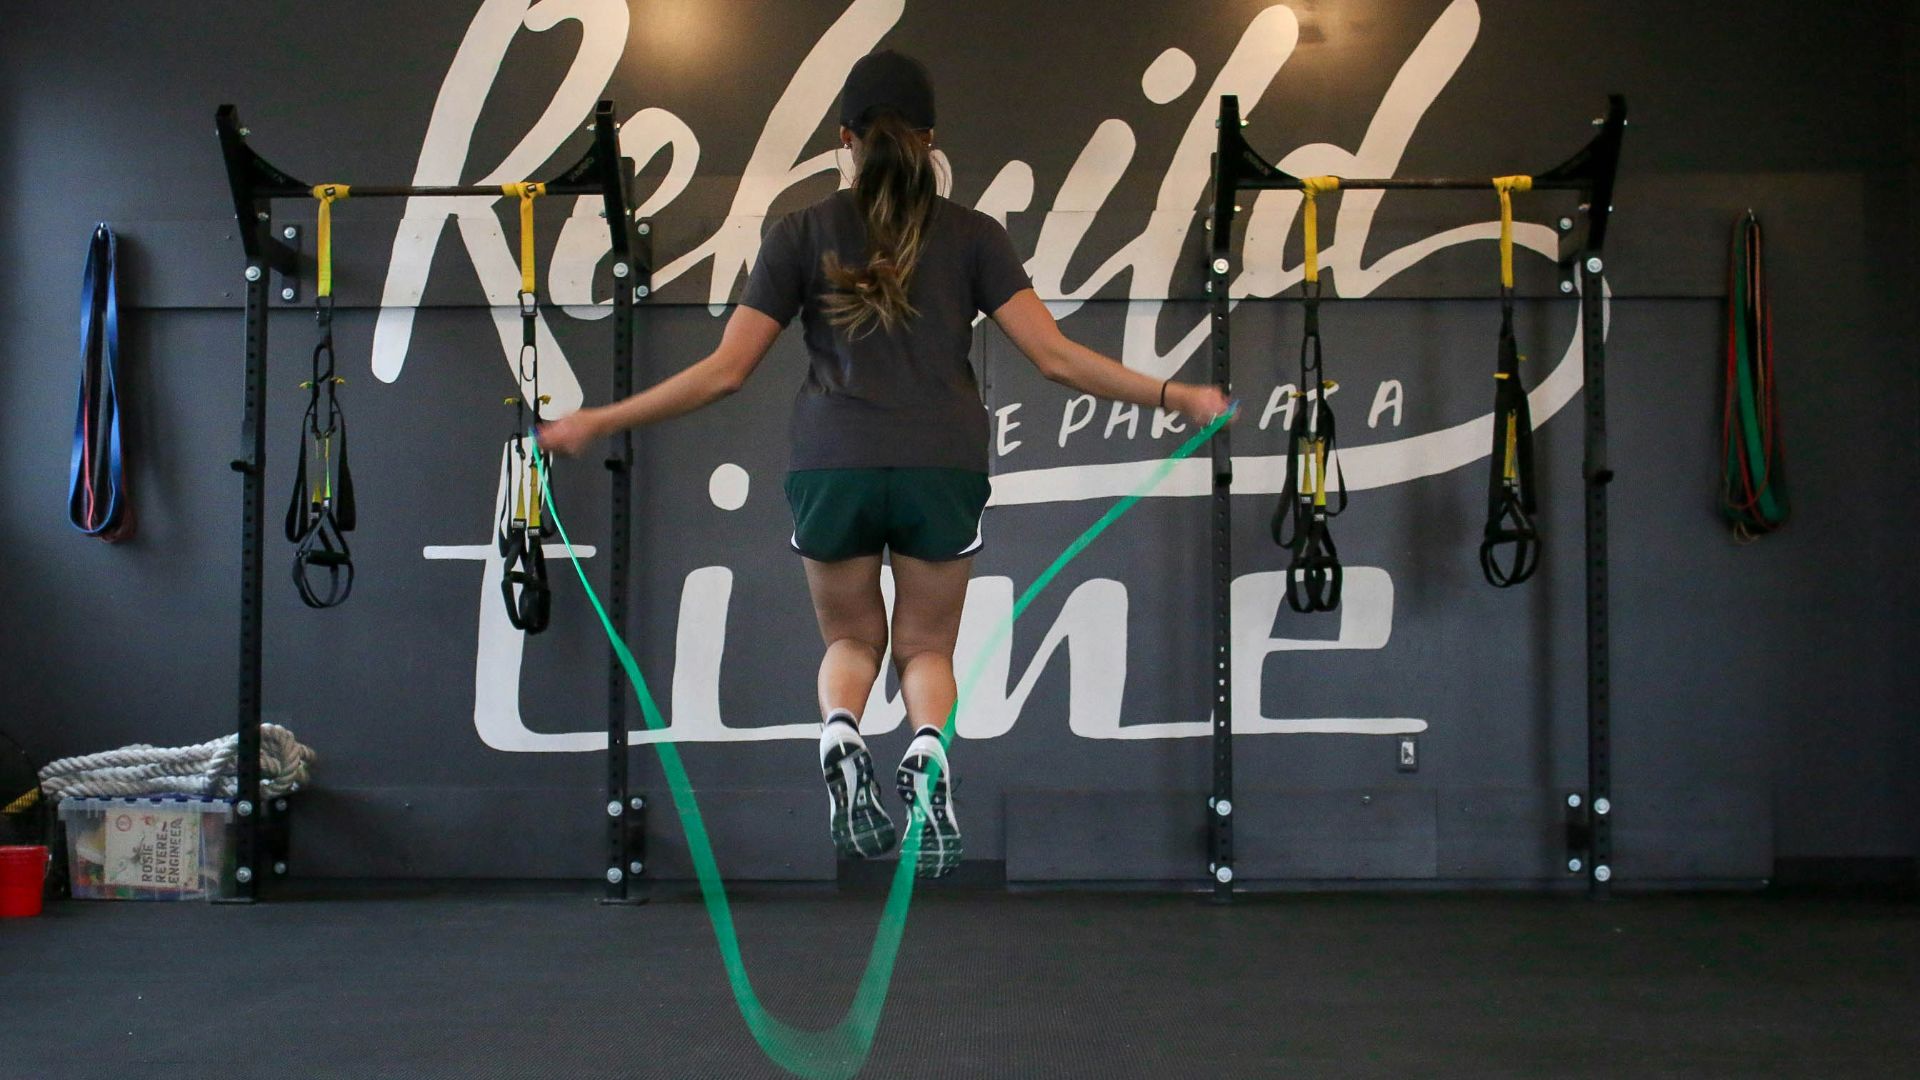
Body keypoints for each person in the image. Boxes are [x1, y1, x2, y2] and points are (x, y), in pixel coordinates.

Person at [538, 50, 1230, 877]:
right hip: (943, 463)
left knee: (850, 639)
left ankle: (840, 734)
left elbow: (724, 373)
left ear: (845, 139)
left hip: (834, 466)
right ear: (930, 140)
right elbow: (1054, 359)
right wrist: (1172, 394)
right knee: (927, 648)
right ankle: (926, 752)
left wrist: (599, 418)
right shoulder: (974, 235)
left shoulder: (800, 232)